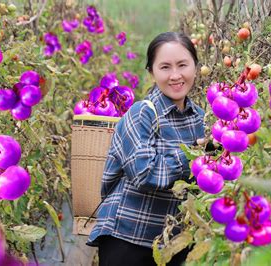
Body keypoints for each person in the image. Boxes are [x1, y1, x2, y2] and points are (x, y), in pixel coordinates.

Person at [87, 32, 206, 266]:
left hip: (172, 242)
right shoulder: (142, 113)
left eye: (183, 65)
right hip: (128, 237)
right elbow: (145, 174)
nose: (175, 75)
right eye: (164, 67)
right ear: (151, 72)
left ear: (195, 67)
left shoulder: (202, 119)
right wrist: (194, 153)